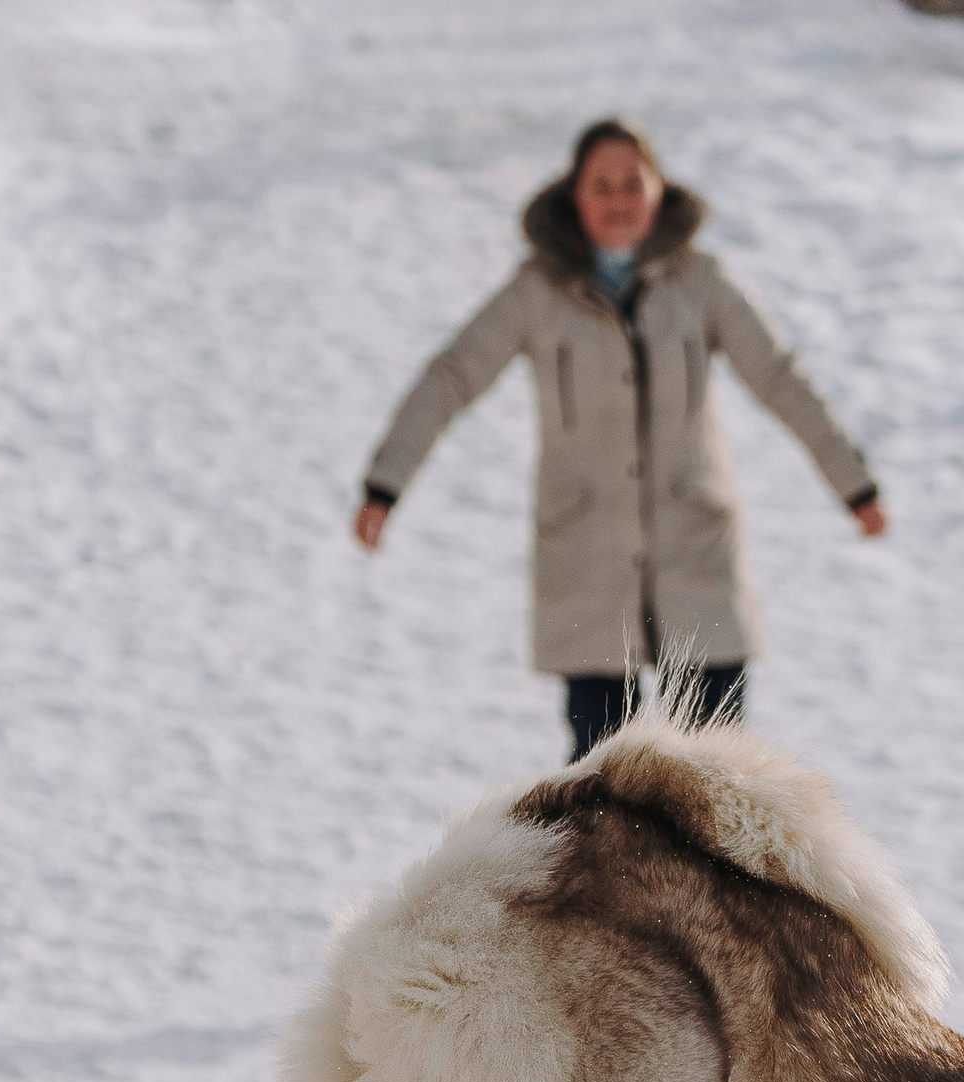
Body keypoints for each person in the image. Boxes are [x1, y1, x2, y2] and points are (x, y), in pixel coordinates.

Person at [353, 118, 886, 760]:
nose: (617, 200)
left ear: (659, 191)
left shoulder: (701, 284)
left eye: (632, 182)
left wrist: (853, 485)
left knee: (717, 787)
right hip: (587, 567)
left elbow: (780, 377)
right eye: (600, 185)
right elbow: (453, 376)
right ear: (573, 196)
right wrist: (387, 485)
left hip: (697, 554)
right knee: (608, 799)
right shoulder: (537, 293)